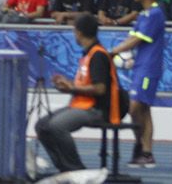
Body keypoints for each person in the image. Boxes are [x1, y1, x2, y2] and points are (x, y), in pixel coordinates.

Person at [35, 15, 126, 173]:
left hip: (98, 109)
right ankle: (64, 168)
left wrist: (71, 88)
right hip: (83, 105)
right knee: (42, 126)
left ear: (79, 33)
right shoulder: (88, 54)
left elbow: (99, 89)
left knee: (57, 126)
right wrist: (67, 84)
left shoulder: (98, 55)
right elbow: (86, 84)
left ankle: (77, 170)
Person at [109, 0, 166, 169]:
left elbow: (136, 40)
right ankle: (143, 150)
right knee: (142, 109)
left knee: (136, 107)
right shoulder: (144, 14)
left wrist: (113, 52)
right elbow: (132, 37)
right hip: (141, 65)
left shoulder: (155, 14)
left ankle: (143, 148)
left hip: (149, 68)